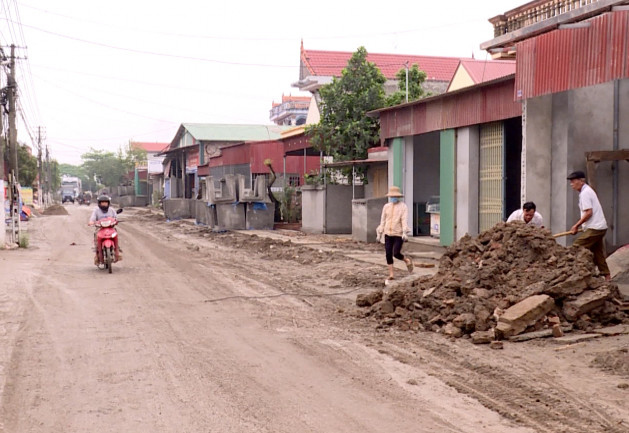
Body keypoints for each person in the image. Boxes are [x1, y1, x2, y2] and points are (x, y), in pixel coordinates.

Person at [567, 170, 610, 281]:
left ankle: (575, 273)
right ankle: (607, 276)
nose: (571, 184)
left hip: (595, 228)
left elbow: (589, 212)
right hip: (598, 227)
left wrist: (576, 225)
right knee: (597, 252)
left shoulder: (585, 193)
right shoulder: (586, 191)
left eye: (573, 181)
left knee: (576, 246)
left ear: (581, 181)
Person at [376, 186, 414, 282]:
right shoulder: (386, 206)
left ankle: (406, 260)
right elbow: (383, 220)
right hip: (387, 233)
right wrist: (379, 232)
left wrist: (404, 232)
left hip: (398, 233)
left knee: (396, 253)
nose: (393, 198)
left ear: (398, 197)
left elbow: (404, 220)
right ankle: (391, 274)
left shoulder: (403, 207)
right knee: (388, 254)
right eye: (392, 196)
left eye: (395, 196)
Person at [88, 195, 121, 263]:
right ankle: (97, 254)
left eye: (105, 202)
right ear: (99, 203)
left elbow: (116, 217)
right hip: (100, 228)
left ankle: (117, 250)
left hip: (110, 227)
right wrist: (91, 222)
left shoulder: (111, 210)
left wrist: (116, 221)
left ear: (108, 203)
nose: (104, 204)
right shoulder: (96, 210)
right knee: (96, 235)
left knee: (115, 234)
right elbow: (92, 218)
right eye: (102, 202)